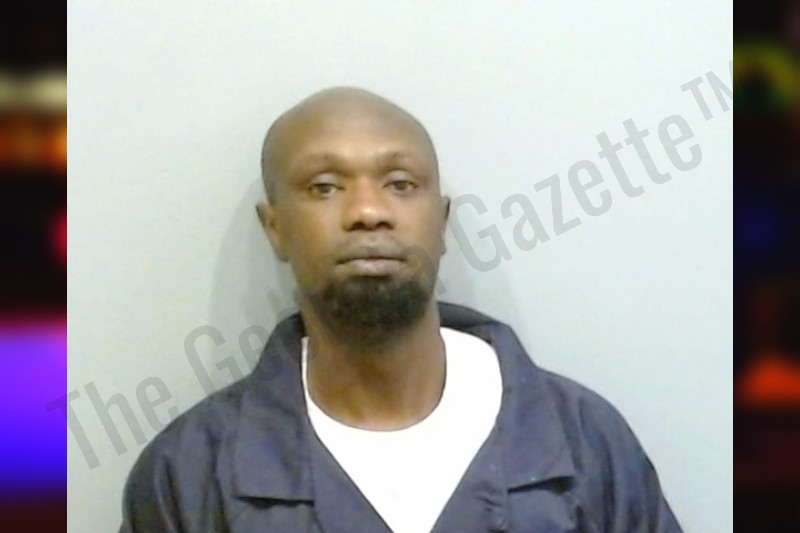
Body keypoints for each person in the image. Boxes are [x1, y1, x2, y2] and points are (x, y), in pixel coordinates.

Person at [119, 87, 682, 532]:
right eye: (324, 187)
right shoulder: (189, 473)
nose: (368, 211)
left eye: (400, 183)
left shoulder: (586, 443)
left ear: (442, 222)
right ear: (275, 228)